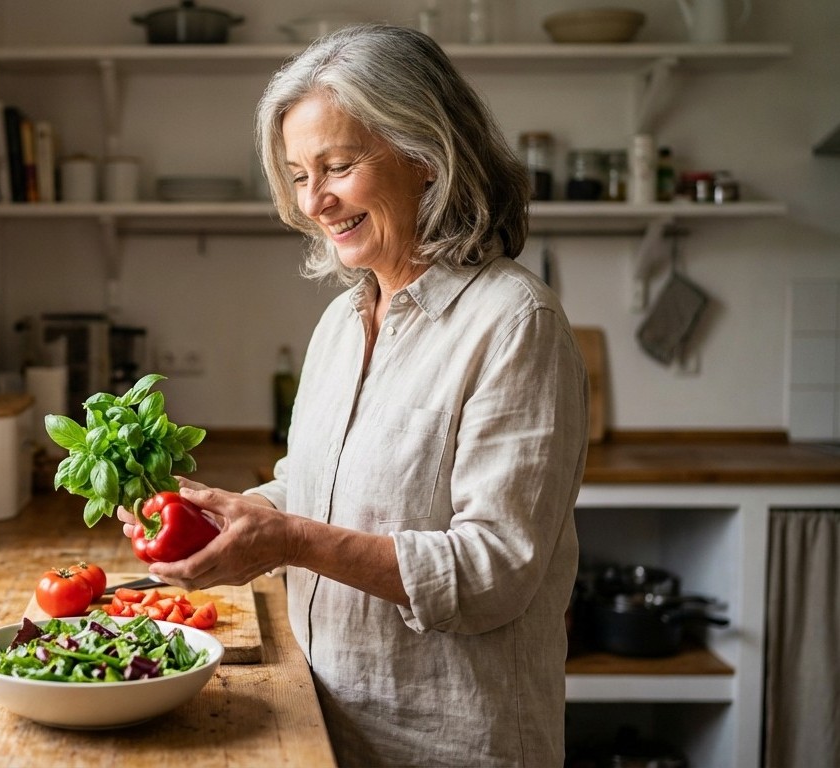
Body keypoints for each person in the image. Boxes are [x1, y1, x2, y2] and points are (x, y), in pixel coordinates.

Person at [123, 24, 588, 767]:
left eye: (336, 166)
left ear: (427, 157)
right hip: (324, 721)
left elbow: (492, 572)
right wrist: (233, 515)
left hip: (448, 742)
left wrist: (289, 541)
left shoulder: (513, 322)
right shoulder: (343, 320)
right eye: (299, 174)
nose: (315, 200)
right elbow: (322, 487)